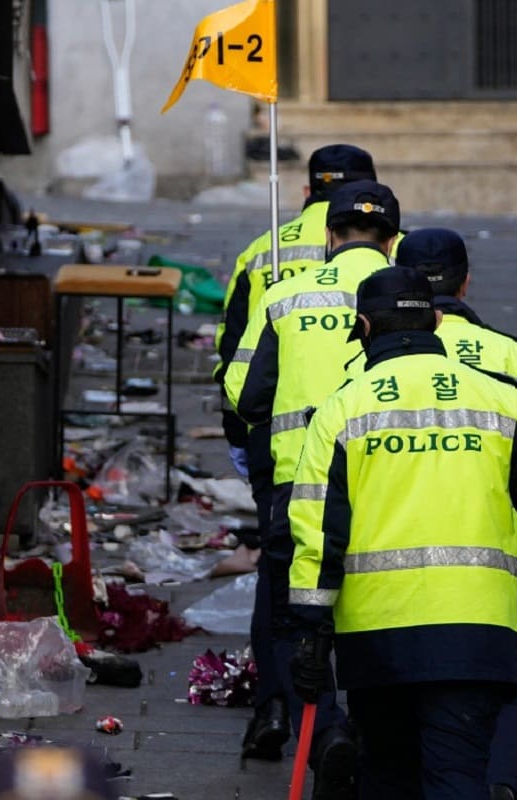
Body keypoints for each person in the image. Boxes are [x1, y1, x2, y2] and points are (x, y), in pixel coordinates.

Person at [287, 266, 517, 800]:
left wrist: (310, 631)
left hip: (376, 637)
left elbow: (319, 530)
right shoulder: (501, 399)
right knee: (457, 777)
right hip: (477, 630)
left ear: (364, 328)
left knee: (387, 778)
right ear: (436, 320)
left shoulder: (342, 408)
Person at [224, 180, 402, 799]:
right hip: (385, 480)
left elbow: (243, 393)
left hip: (295, 482)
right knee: (374, 601)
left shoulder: (285, 294)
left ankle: (322, 725)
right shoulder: (405, 299)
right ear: (393, 239)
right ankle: (376, 732)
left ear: (329, 234)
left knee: (293, 613)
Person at [395, 228, 517, 800]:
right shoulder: (507, 354)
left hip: (386, 563)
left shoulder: (376, 355)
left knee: (396, 699)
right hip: (490, 563)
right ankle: (500, 781)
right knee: (496, 685)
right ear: (467, 278)